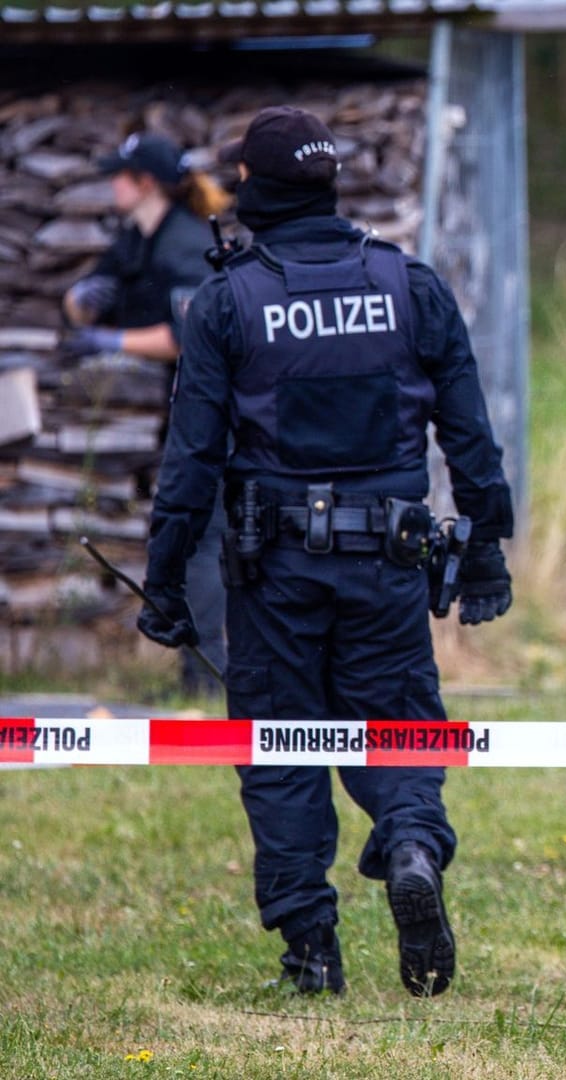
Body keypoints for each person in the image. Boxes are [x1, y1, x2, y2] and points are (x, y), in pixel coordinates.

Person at [137, 106, 515, 998]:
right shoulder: (406, 282)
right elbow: (471, 435)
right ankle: (414, 845)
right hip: (390, 562)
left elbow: (189, 459)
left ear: (254, 191)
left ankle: (311, 943)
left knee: (280, 744)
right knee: (399, 723)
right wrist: (489, 547)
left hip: (274, 575)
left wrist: (164, 582)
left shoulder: (228, 300)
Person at [65, 130, 232, 696]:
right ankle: (198, 675)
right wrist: (86, 297)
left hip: (218, 417)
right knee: (188, 538)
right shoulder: (138, 237)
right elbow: (88, 292)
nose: (111, 182)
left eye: (121, 174)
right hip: (186, 410)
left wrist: (110, 339)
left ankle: (208, 681)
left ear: (146, 184)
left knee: (205, 540)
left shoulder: (185, 244)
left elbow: (187, 338)